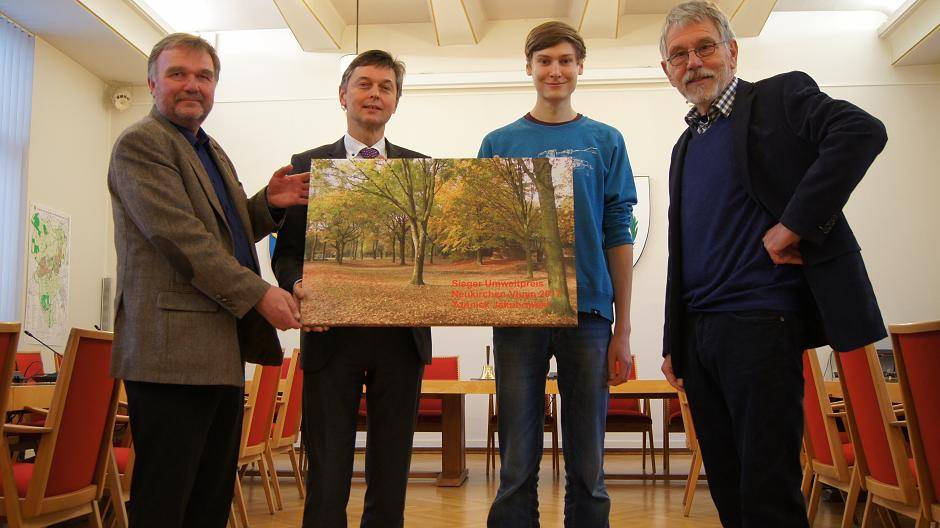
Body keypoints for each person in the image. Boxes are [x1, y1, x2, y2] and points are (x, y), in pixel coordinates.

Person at [657, 2, 888, 526]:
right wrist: (675, 339)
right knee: (728, 490)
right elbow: (684, 250)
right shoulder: (684, 147)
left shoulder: (779, 98)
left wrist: (795, 224)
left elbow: (862, 131)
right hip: (700, 335)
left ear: (732, 52)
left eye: (704, 47)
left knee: (768, 492)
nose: (693, 62)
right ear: (667, 71)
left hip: (761, 322)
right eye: (679, 55)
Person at [108, 33, 309, 527]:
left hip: (221, 349)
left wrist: (266, 204)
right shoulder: (142, 143)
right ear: (152, 82)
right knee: (166, 503)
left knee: (209, 501)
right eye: (178, 73)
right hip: (169, 355)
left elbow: (224, 232)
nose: (192, 85)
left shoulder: (208, 148)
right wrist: (260, 294)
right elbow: (182, 240)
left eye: (204, 76)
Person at [479, 21, 637, 528]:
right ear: (528, 67)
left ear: (580, 67)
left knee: (589, 465)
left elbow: (618, 231)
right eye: (544, 60)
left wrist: (623, 327)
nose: (555, 70)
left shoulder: (605, 140)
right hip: (518, 313)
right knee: (516, 463)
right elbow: (488, 232)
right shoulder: (498, 142)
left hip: (589, 315)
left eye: (565, 60)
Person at [271, 49, 432, 528]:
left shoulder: (422, 169)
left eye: (386, 87)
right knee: (327, 465)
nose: (374, 94)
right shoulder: (306, 165)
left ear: (396, 101)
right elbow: (285, 254)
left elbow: (433, 253)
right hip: (329, 337)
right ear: (343, 95)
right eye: (364, 84)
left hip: (402, 339)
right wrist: (298, 284)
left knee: (392, 467)